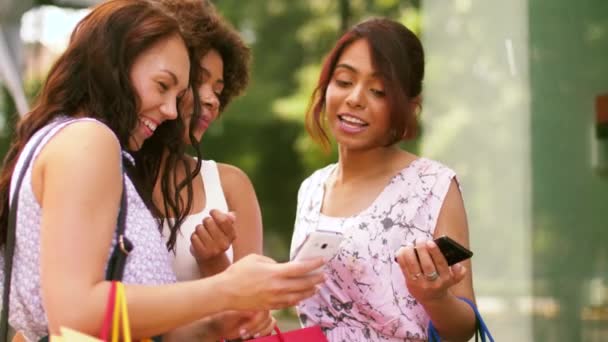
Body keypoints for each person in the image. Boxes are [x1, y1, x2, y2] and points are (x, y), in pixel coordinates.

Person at [0, 1, 325, 341]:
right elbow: (76, 315)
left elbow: (115, 324)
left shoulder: (70, 139)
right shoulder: (89, 140)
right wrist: (225, 289)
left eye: (180, 93)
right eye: (162, 85)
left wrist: (212, 326)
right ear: (116, 63)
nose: (171, 110)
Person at [290, 18, 477, 341]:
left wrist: (434, 297)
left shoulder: (432, 185)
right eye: (344, 81)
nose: (355, 99)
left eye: (377, 91)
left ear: (409, 106)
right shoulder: (311, 188)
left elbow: (464, 329)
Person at [132, 1, 271, 339]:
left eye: (220, 91)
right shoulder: (108, 171)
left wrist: (212, 262)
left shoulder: (230, 185)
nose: (211, 99)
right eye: (199, 81)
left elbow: (253, 324)